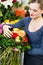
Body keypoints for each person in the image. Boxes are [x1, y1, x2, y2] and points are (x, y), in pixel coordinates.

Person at [3, 0, 43, 65]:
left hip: (39, 61)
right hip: (27, 59)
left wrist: (22, 48)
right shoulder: (26, 20)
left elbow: (41, 51)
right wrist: (4, 27)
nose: (31, 12)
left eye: (35, 10)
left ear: (42, 11)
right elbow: (11, 26)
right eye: (30, 9)